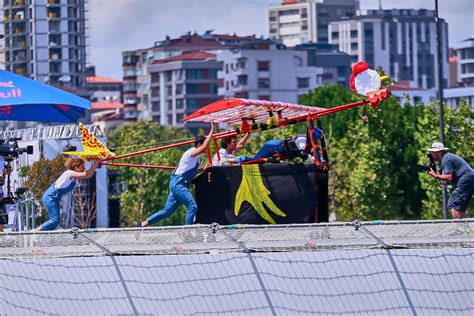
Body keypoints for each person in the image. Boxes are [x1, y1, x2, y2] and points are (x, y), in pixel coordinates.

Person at [142, 123, 216, 226]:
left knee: (167, 211)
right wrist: (212, 130)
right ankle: (188, 232)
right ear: (199, 145)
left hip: (179, 184)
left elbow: (192, 172)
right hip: (178, 183)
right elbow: (204, 147)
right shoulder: (191, 152)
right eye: (205, 145)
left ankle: (144, 224)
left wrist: (203, 169)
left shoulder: (198, 159)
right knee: (192, 206)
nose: (207, 148)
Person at [36, 158, 100, 231]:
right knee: (55, 220)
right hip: (50, 197)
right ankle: (35, 232)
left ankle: (40, 234)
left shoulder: (75, 178)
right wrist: (95, 164)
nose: (84, 168)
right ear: (76, 167)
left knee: (55, 223)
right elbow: (84, 174)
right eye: (82, 166)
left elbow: (88, 176)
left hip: (55, 198)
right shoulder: (69, 173)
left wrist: (95, 164)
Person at [427, 142, 474, 219]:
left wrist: (435, 176)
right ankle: (468, 229)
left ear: (437, 152)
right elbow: (444, 175)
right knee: (460, 208)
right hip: (469, 179)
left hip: (465, 179)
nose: (431, 154)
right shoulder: (447, 157)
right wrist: (433, 168)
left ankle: (463, 229)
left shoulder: (446, 159)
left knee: (454, 205)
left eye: (432, 152)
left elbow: (449, 177)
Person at [231, 133, 317, 164]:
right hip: (272, 146)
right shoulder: (303, 140)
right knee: (255, 160)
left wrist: (320, 160)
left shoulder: (309, 144)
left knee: (259, 162)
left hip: (277, 147)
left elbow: (312, 153)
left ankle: (237, 161)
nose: (318, 141)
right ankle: (237, 160)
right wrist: (314, 160)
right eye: (317, 139)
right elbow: (301, 153)